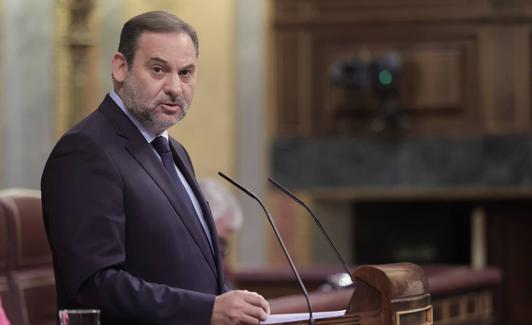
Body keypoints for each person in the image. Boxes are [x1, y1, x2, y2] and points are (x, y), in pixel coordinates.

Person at [41, 11, 269, 325]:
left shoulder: (173, 150)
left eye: (186, 72)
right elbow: (92, 285)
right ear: (121, 67)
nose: (175, 87)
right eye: (158, 69)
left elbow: (193, 275)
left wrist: (236, 307)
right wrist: (207, 310)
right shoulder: (85, 151)